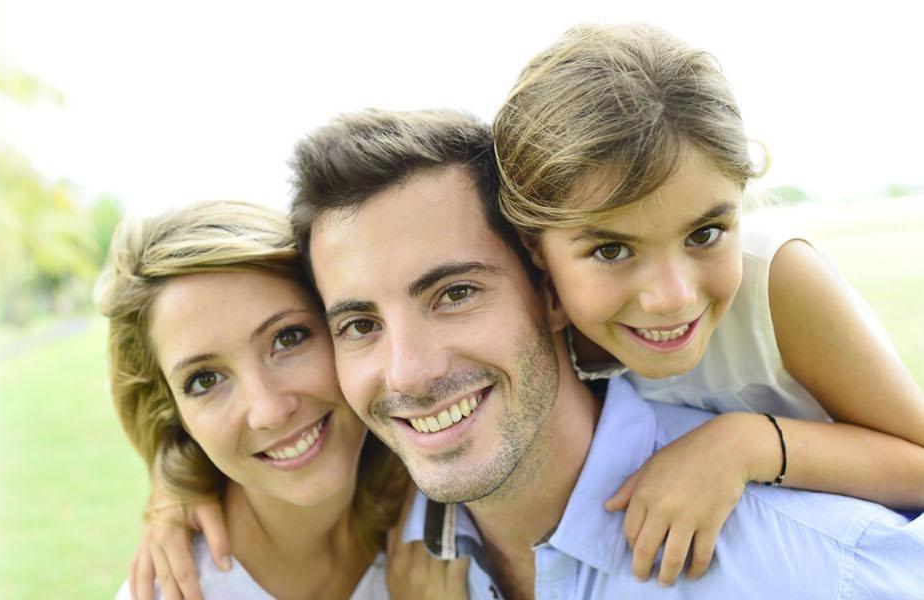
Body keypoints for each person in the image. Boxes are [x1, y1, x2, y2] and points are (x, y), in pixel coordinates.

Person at [293, 107, 924, 599]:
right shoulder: (383, 555)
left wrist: (749, 444)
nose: (409, 372)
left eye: (455, 293)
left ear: (552, 289)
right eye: (359, 325)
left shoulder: (824, 569)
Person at [490, 23, 924, 585]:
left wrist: (744, 445)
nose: (672, 297)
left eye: (705, 234)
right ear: (535, 250)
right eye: (612, 249)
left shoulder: (776, 284)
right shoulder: (531, 330)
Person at [95, 200, 466, 599]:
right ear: (174, 414)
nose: (269, 411)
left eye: (288, 339)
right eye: (204, 381)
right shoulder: (172, 591)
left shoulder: (446, 493)